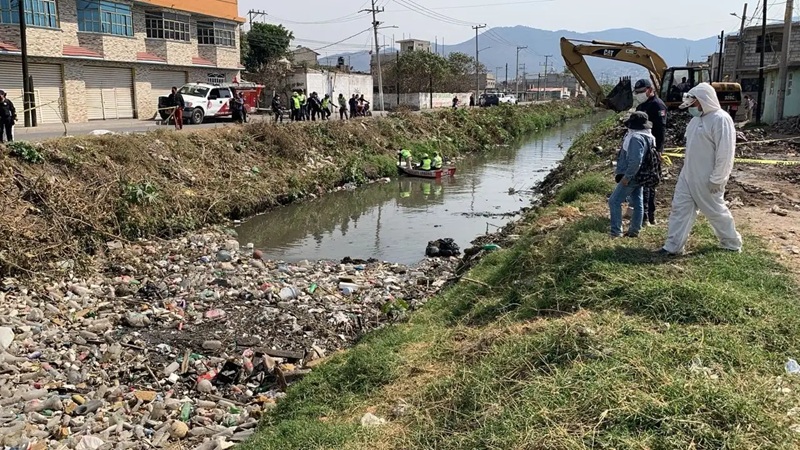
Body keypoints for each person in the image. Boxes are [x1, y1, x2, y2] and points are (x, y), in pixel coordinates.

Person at [658, 83, 742, 255]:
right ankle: (673, 246)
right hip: (688, 175)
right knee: (679, 209)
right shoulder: (695, 121)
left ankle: (731, 243)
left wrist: (718, 178)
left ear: (705, 100)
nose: (692, 108)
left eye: (694, 104)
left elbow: (725, 153)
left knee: (716, 212)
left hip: (707, 178)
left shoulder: (721, 119)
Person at [608, 111, 655, 238]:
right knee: (638, 200)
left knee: (614, 201)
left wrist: (626, 177)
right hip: (641, 175)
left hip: (632, 176)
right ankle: (634, 231)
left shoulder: (636, 138)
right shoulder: (649, 137)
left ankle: (615, 232)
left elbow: (635, 160)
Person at [634, 78, 667, 226]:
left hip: (651, 149)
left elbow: (660, 130)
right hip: (641, 148)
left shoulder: (657, 105)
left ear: (649, 89)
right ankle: (641, 213)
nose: (639, 94)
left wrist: (659, 150)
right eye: (637, 92)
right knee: (640, 181)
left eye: (642, 92)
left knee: (649, 182)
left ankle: (649, 216)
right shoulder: (641, 105)